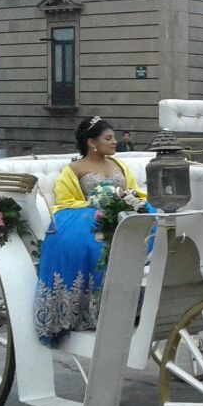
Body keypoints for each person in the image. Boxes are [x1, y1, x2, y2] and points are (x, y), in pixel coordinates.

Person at [32, 116, 147, 347]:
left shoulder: (120, 166)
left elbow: (134, 190)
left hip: (122, 211)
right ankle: (90, 308)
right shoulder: (73, 169)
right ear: (92, 142)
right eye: (109, 138)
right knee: (92, 238)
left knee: (149, 223)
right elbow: (65, 201)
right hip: (86, 214)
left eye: (114, 138)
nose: (115, 142)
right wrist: (96, 204)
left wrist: (129, 200)